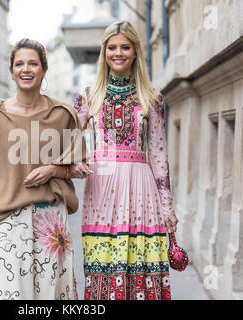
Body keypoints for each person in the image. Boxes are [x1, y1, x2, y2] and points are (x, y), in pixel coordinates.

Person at [0, 38, 88, 300]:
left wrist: (54, 170)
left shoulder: (64, 114)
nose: (26, 69)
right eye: (19, 64)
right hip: (5, 224)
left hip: (50, 223)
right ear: (11, 71)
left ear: (44, 69)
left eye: (33, 63)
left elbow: (81, 169)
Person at [71, 20, 178, 300]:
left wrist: (167, 207)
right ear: (104, 53)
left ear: (135, 52)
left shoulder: (151, 97)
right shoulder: (87, 96)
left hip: (141, 191)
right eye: (112, 47)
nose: (118, 53)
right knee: (102, 266)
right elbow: (67, 140)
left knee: (140, 267)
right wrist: (76, 164)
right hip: (101, 189)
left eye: (125, 47)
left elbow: (158, 154)